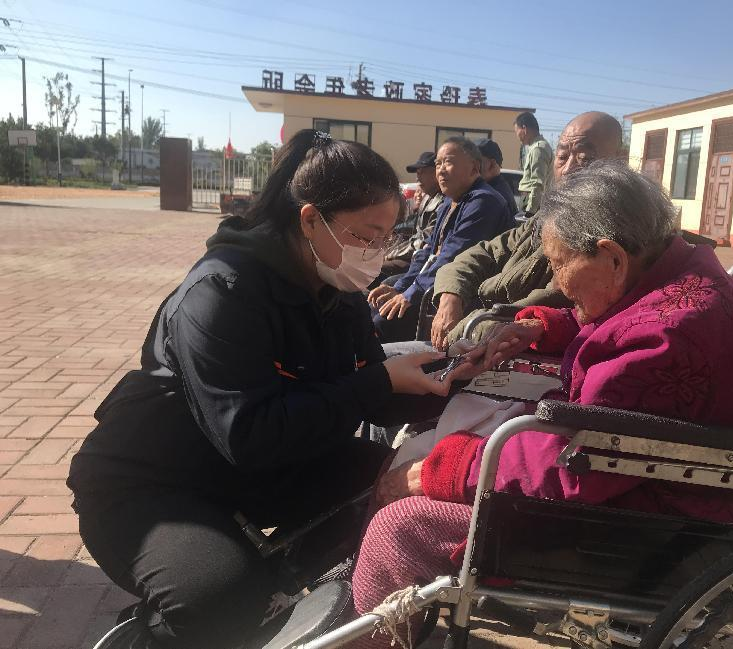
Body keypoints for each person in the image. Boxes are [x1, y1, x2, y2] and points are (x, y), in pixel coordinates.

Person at [350, 161, 733, 648]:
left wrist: (442, 470)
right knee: (422, 455)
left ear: (612, 257)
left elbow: (579, 464)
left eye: (558, 264)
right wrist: (544, 326)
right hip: (653, 476)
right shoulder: (676, 275)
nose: (557, 280)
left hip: (663, 521)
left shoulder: (670, 334)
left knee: (400, 523)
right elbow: (624, 322)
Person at [67, 130, 463, 649]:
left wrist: (457, 374)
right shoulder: (222, 292)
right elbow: (250, 434)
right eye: (367, 236)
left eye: (386, 238)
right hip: (152, 483)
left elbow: (372, 388)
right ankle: (154, 632)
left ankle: (283, 590)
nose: (376, 253)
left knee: (391, 483)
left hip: (253, 466)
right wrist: (378, 380)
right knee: (223, 599)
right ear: (310, 219)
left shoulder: (336, 292)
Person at [431, 111, 623, 350]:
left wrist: (458, 330)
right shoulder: (545, 219)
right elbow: (481, 253)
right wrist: (451, 295)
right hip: (472, 327)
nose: (568, 170)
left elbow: (531, 315)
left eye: (584, 158)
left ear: (620, 161)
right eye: (562, 157)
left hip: (494, 345)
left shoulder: (606, 235)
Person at [368, 137, 515, 343]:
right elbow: (428, 250)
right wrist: (401, 287)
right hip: (434, 281)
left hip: (465, 292)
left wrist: (410, 294)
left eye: (448, 162)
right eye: (438, 164)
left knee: (385, 320)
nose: (441, 170)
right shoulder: (449, 201)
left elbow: (453, 256)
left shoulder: (484, 202)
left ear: (474, 168)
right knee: (383, 295)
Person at [381, 151, 444, 277]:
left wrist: (393, 253)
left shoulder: (442, 203)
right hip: (413, 256)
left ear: (435, 173)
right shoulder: (428, 198)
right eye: (417, 173)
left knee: (376, 270)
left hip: (420, 260)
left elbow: (424, 240)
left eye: (422, 172)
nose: (417, 177)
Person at [514, 111, 553, 216]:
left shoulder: (538, 149)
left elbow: (537, 183)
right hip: (530, 202)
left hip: (532, 206)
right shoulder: (536, 147)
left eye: (516, 131)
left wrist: (530, 211)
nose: (517, 136)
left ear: (524, 129)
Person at [476, 138, 518, 216]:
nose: (471, 167)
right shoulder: (496, 188)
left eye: (477, 162)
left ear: (492, 164)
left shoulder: (490, 196)